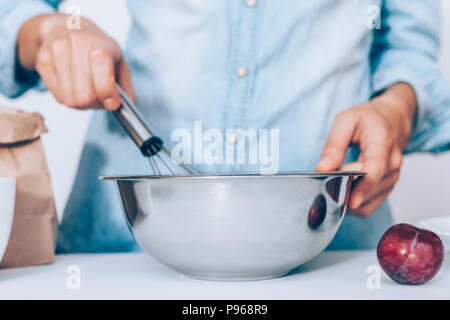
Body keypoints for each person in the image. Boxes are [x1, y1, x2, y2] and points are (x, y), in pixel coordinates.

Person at [1, 0, 449, 252]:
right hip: (124, 245)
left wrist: (397, 107)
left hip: (328, 244)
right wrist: (48, 32)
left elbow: (408, 44)